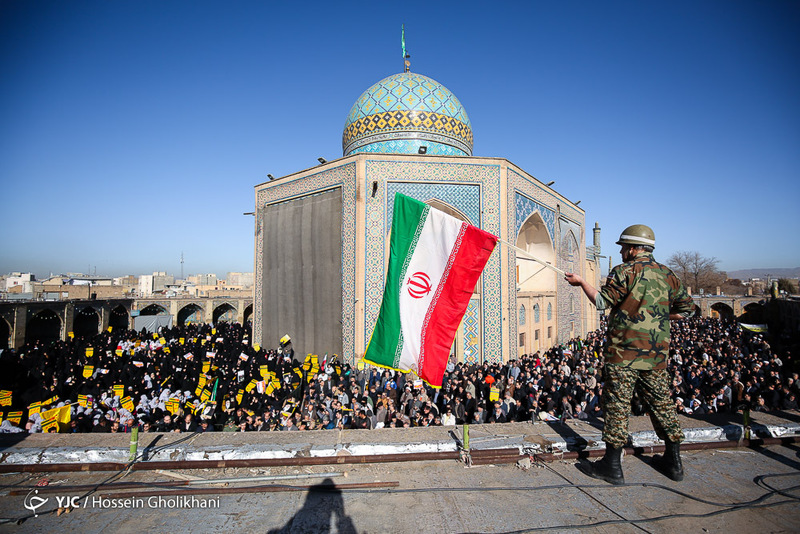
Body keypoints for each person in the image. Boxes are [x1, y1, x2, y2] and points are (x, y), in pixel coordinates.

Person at [564, 224, 694, 484]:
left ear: (634, 248)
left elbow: (602, 302)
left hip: (622, 354)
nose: (622, 251)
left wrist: (581, 282)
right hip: (656, 355)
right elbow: (687, 310)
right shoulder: (668, 275)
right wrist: (656, 317)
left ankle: (612, 466)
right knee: (662, 404)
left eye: (624, 247)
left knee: (618, 405)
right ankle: (674, 462)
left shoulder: (623, 272)